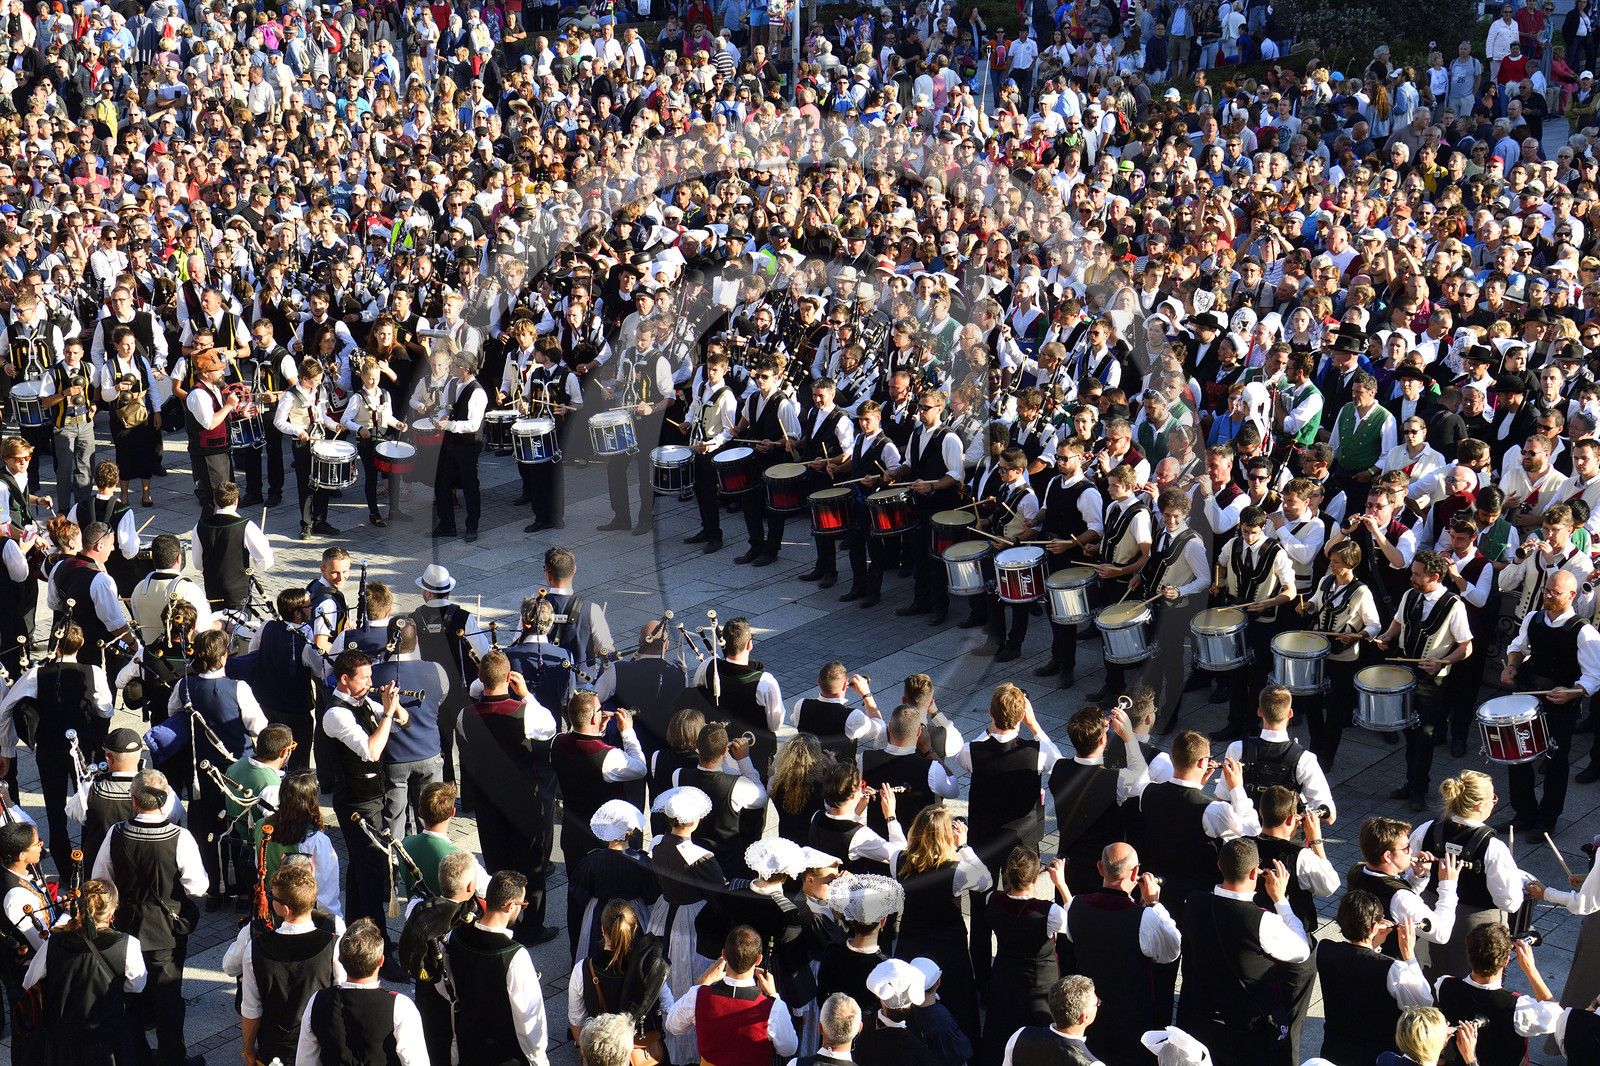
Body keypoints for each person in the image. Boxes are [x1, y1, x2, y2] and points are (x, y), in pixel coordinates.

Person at [94, 772, 207, 1066]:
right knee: (168, 1000)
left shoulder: (116, 833)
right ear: (165, 799)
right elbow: (198, 887)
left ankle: (138, 1057)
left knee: (129, 999)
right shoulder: (180, 838)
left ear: (133, 800)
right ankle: (172, 1059)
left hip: (126, 926)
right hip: (166, 930)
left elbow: (100, 879)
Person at [1175, 837, 1310, 1066]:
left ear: (1219, 866)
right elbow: (1302, 951)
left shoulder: (1193, 901)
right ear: (1255, 872)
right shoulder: (1264, 921)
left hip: (1203, 1020)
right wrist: (1280, 900)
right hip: (1246, 1031)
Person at [457, 651, 560, 946]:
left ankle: (500, 921)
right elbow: (550, 727)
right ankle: (532, 928)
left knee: (498, 865)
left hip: (489, 803)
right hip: (525, 802)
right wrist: (526, 695)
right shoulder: (525, 712)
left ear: (480, 678)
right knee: (532, 866)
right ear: (509, 678)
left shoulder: (465, 715)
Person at [0, 622, 115, 873]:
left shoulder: (36, 674)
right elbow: (106, 709)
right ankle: (87, 861)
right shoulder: (93, 672)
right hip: (82, 749)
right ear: (81, 644)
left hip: (49, 748)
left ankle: (64, 866)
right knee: (88, 804)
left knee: (54, 808)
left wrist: (7, 749)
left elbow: (5, 708)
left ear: (55, 645)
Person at [316, 649, 405, 967]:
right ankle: (379, 946)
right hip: (356, 802)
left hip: (372, 797)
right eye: (364, 677)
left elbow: (403, 721)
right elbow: (371, 751)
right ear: (344, 679)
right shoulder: (336, 714)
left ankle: (356, 932)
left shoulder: (363, 701)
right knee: (371, 874)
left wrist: (393, 705)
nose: (370, 682)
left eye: (371, 676)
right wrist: (386, 713)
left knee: (359, 868)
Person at [1497, 568, 1600, 832]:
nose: (1549, 596)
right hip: (1528, 698)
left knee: (1555, 763)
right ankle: (1524, 814)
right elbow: (1518, 647)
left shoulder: (1584, 631)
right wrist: (1512, 666)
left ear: (1572, 595)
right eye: (1547, 590)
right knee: (1518, 757)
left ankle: (1547, 821)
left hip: (1561, 706)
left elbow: (1594, 675)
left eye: (1555, 592)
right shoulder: (1533, 618)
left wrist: (1573, 691)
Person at [1373, 551, 1474, 811]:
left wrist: (1442, 662)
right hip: (1404, 672)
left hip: (1431, 680)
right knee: (1409, 731)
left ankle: (1419, 789)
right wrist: (1386, 636)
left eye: (1417, 575)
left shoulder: (1454, 605)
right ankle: (1412, 782)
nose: (1412, 578)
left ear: (1435, 577)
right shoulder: (1410, 595)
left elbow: (1466, 646)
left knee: (1423, 735)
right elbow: (1398, 623)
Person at [220, 861, 343, 1066]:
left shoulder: (255, 947)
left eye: (272, 897)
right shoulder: (334, 944)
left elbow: (251, 1008)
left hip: (275, 1046)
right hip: (321, 1044)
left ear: (284, 909)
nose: (269, 900)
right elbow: (342, 997)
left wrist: (248, 1051)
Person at [22, 879, 146, 1066]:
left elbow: (29, 982)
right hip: (107, 1039)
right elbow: (136, 986)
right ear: (112, 910)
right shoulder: (128, 944)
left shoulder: (53, 943)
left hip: (64, 1042)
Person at [444, 870, 552, 1066]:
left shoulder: (455, 936)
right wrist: (539, 1059)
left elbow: (445, 985)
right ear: (510, 906)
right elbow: (528, 1019)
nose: (521, 909)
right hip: (503, 1055)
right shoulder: (515, 956)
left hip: (469, 1045)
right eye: (522, 904)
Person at [1316, 890, 1434, 1066]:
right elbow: (1424, 1001)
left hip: (1334, 1052)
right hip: (1377, 1057)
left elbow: (1355, 963)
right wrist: (1409, 954)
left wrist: (1371, 943)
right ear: (1373, 928)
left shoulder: (1324, 949)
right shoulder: (1394, 969)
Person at [296, 919, 428, 1066]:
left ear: (340, 959)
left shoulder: (318, 1000)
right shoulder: (401, 1006)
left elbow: (305, 1060)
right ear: (381, 961)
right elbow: (416, 1061)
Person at [1434, 923, 1563, 1065]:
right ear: (1507, 960)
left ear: (1469, 954)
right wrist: (1531, 970)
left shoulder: (1444, 985)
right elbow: (1557, 1018)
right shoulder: (1518, 1008)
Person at [272, 357, 342, 540]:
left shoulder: (320, 391)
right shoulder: (290, 395)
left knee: (322, 482)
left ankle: (320, 520)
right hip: (302, 444)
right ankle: (306, 524)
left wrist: (334, 425)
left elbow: (322, 416)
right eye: (316, 379)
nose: (320, 382)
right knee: (306, 484)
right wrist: (297, 430)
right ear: (305, 378)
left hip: (320, 442)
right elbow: (278, 421)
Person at [430, 349, 488, 543]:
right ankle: (447, 524)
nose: (452, 368)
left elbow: (473, 425)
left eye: (455, 365)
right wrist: (442, 418)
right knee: (442, 482)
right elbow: (445, 407)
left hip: (468, 444)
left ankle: (472, 525)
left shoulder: (477, 392)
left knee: (470, 485)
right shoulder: (452, 383)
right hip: (451, 442)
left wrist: (449, 425)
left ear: (467, 369)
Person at [190, 482, 275, 613]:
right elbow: (265, 561)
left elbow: (198, 564)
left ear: (215, 501)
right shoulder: (246, 526)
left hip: (213, 591)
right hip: (238, 593)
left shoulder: (200, 526)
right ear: (236, 501)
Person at [999, 974, 1105, 1066]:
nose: (1098, 1004)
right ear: (1085, 1017)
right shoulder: (1092, 1064)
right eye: (1097, 1003)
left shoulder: (1020, 1036)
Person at [128, 535, 214, 647]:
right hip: (182, 655)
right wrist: (221, 623)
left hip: (149, 654)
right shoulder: (189, 589)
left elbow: (138, 621)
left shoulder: (139, 588)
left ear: (152, 558)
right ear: (179, 558)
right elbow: (203, 629)